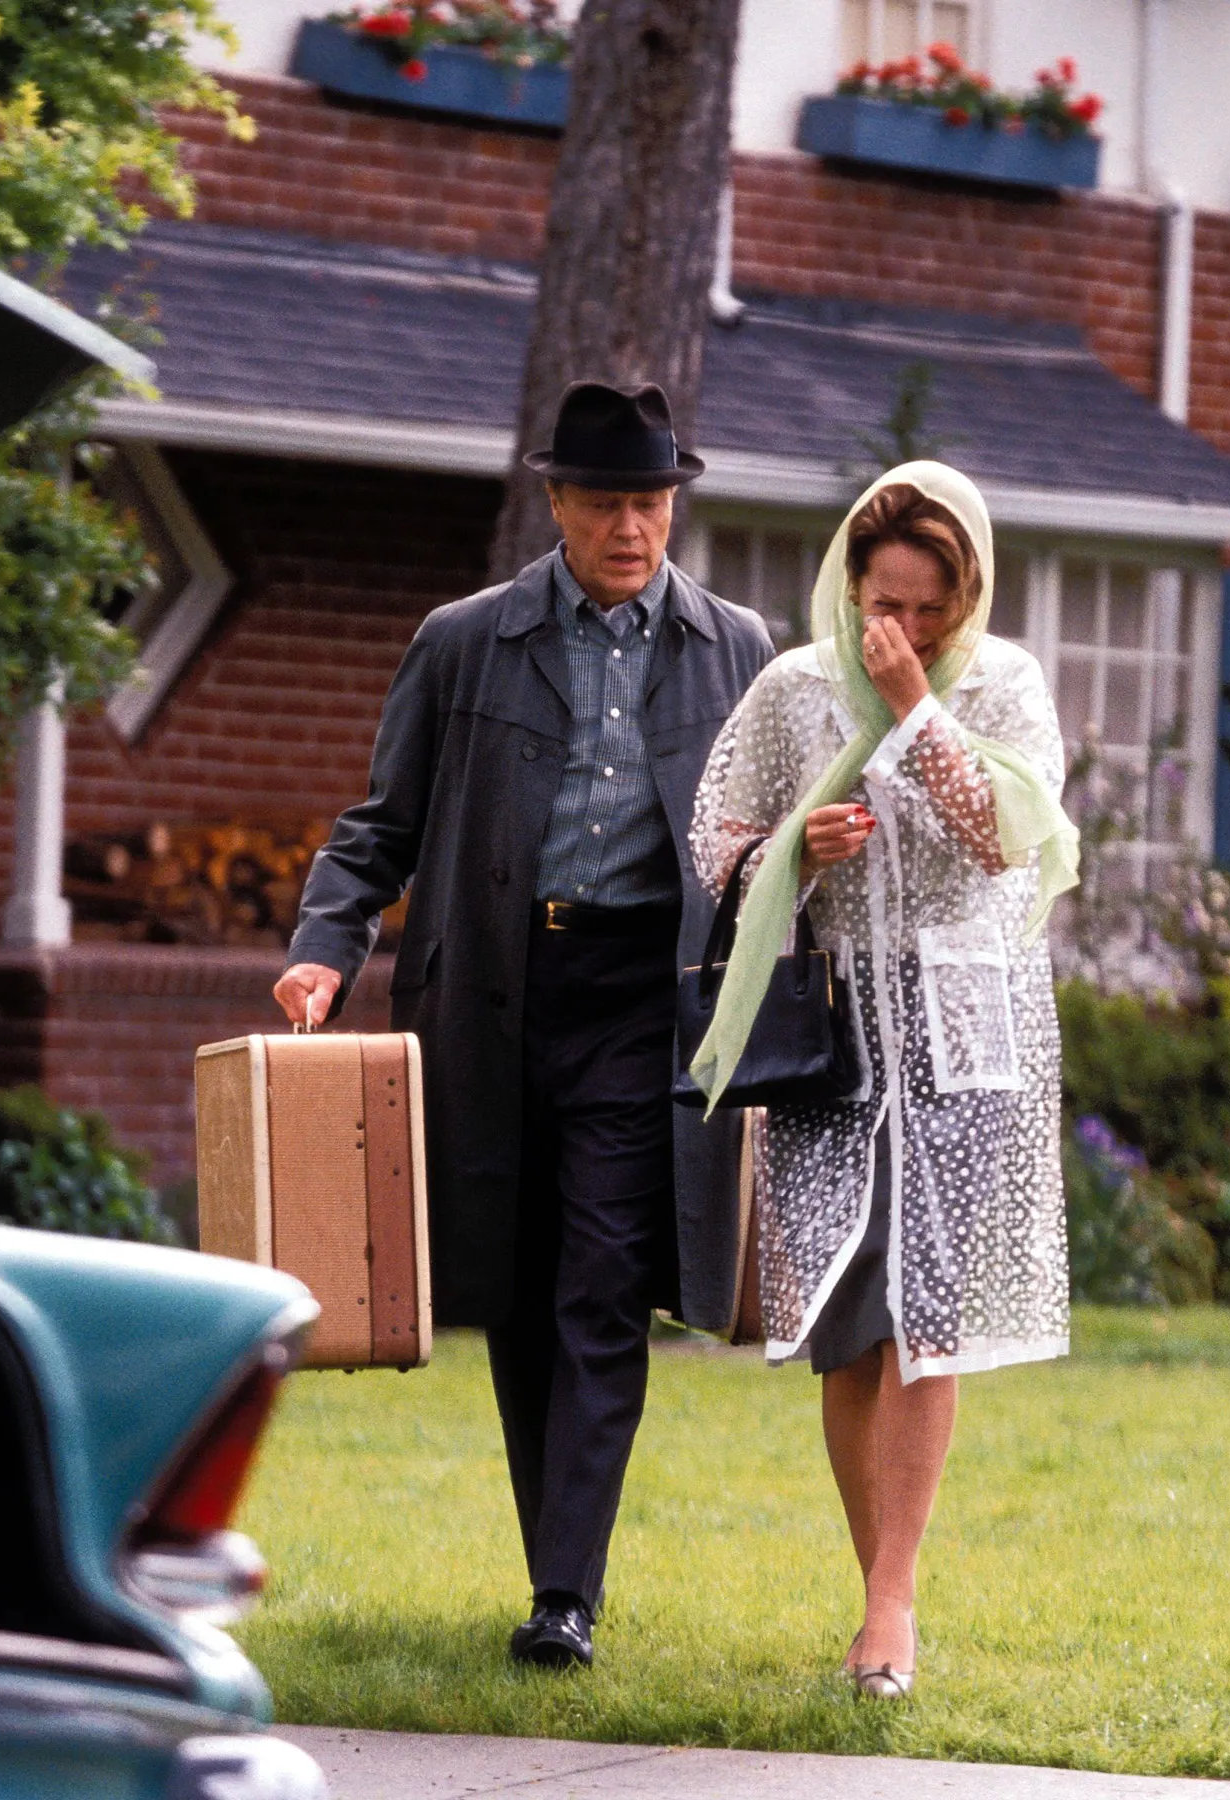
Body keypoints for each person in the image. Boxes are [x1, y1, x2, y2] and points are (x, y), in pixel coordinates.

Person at [275, 380, 774, 1671]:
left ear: (675, 506)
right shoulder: (465, 642)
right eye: (605, 499)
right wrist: (324, 953)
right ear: (555, 503)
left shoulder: (737, 651)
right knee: (517, 1278)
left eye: (651, 500)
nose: (630, 524)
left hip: (643, 1004)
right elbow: (377, 827)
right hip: (492, 993)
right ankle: (556, 1566)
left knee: (602, 1279)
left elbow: (771, 839)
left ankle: (566, 1595)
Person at [686, 462, 1077, 1699]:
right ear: (847, 583)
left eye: (924, 609)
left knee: (926, 1320)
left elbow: (1004, 838)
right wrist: (796, 846)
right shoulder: (792, 691)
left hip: (964, 1035)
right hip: (834, 1034)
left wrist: (915, 709)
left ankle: (889, 1608)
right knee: (849, 1338)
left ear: (964, 603)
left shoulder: (1002, 685)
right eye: (880, 604)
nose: (894, 632)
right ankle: (879, 1598)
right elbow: (716, 847)